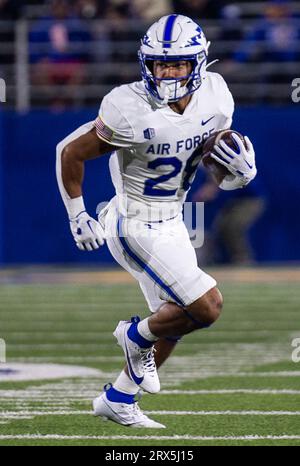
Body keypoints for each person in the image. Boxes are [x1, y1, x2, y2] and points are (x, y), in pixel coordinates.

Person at [56, 14, 257, 428]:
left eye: (177, 64)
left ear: (197, 64)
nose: (167, 72)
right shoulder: (128, 106)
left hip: (173, 220)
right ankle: (133, 336)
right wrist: (78, 215)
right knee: (207, 305)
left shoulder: (216, 97)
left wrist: (236, 173)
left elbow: (211, 165)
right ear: (145, 64)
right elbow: (70, 151)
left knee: (175, 319)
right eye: (159, 64)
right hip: (132, 221)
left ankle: (119, 397)